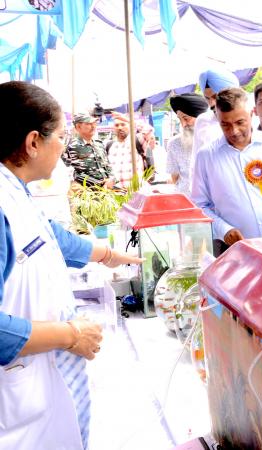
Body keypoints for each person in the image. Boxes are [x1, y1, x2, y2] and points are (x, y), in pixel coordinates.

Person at [0, 81, 142, 449]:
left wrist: (110, 255)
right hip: (19, 398)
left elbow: (48, 237)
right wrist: (70, 335)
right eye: (60, 137)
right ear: (33, 143)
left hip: (43, 384)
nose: (63, 147)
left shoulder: (15, 189)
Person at [191, 87, 262, 256]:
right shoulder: (206, 156)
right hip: (235, 251)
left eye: (240, 122)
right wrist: (224, 230)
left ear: (251, 114)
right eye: (225, 125)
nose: (233, 131)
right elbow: (199, 205)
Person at [166, 93, 208, 196]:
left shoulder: (217, 140)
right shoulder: (174, 144)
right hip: (186, 202)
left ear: (201, 117)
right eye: (180, 119)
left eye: (186, 118)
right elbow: (174, 178)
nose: (183, 124)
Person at [62, 112, 114, 188]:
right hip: (87, 193)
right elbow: (64, 171)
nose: (93, 126)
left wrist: (112, 179)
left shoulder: (99, 144)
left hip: (107, 191)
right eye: (88, 124)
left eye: (94, 123)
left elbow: (108, 167)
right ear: (78, 127)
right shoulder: (71, 146)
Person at [105, 114, 146, 187]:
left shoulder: (137, 141)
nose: (120, 127)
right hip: (115, 193)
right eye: (116, 125)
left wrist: (128, 120)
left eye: (123, 124)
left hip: (135, 191)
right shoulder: (109, 145)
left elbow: (148, 130)